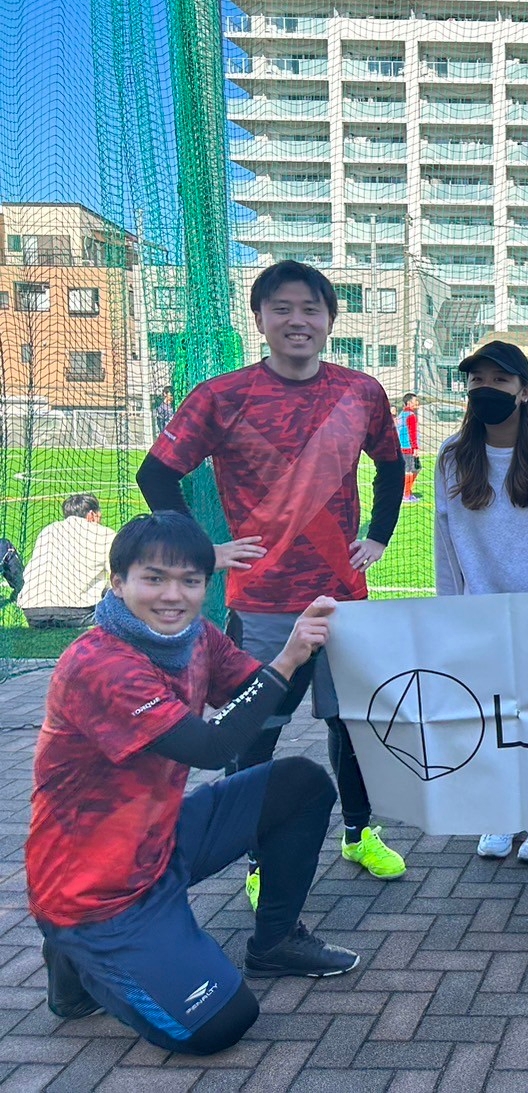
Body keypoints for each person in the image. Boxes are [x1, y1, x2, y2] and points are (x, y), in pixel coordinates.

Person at [28, 512, 358, 1055]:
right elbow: (211, 748)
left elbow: (254, 692)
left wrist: (316, 645)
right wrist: (289, 656)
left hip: (159, 840)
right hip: (95, 889)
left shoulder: (196, 636)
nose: (172, 595)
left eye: (190, 581)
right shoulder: (99, 664)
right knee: (221, 1024)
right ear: (118, 583)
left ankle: (274, 944)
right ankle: (78, 956)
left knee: (301, 784)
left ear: (207, 585)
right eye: (154, 578)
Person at [136, 260, 408, 906]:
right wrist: (202, 551)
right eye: (282, 308)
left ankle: (358, 833)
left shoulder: (361, 391)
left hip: (342, 600)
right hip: (261, 604)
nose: (297, 320)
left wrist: (379, 535)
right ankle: (256, 857)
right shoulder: (221, 395)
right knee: (258, 734)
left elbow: (392, 466)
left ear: (330, 320)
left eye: (310, 308)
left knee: (353, 727)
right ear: (258, 318)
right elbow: (156, 474)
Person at [434, 340, 528, 868]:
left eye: (500, 380)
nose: (486, 389)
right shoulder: (452, 456)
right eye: (477, 381)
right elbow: (444, 540)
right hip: (482, 614)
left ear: (524, 391)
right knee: (494, 719)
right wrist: (450, 611)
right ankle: (502, 811)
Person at [17, 494, 116, 629]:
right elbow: (117, 578)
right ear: (92, 515)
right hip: (76, 613)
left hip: (34, 613)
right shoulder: (105, 534)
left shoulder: (48, 530)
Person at [397, 392, 421, 503]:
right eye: (415, 401)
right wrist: (415, 448)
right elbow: (412, 433)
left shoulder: (401, 414)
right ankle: (406, 495)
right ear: (409, 403)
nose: (417, 403)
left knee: (416, 468)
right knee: (410, 470)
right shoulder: (411, 416)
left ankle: (406, 491)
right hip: (408, 447)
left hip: (401, 446)